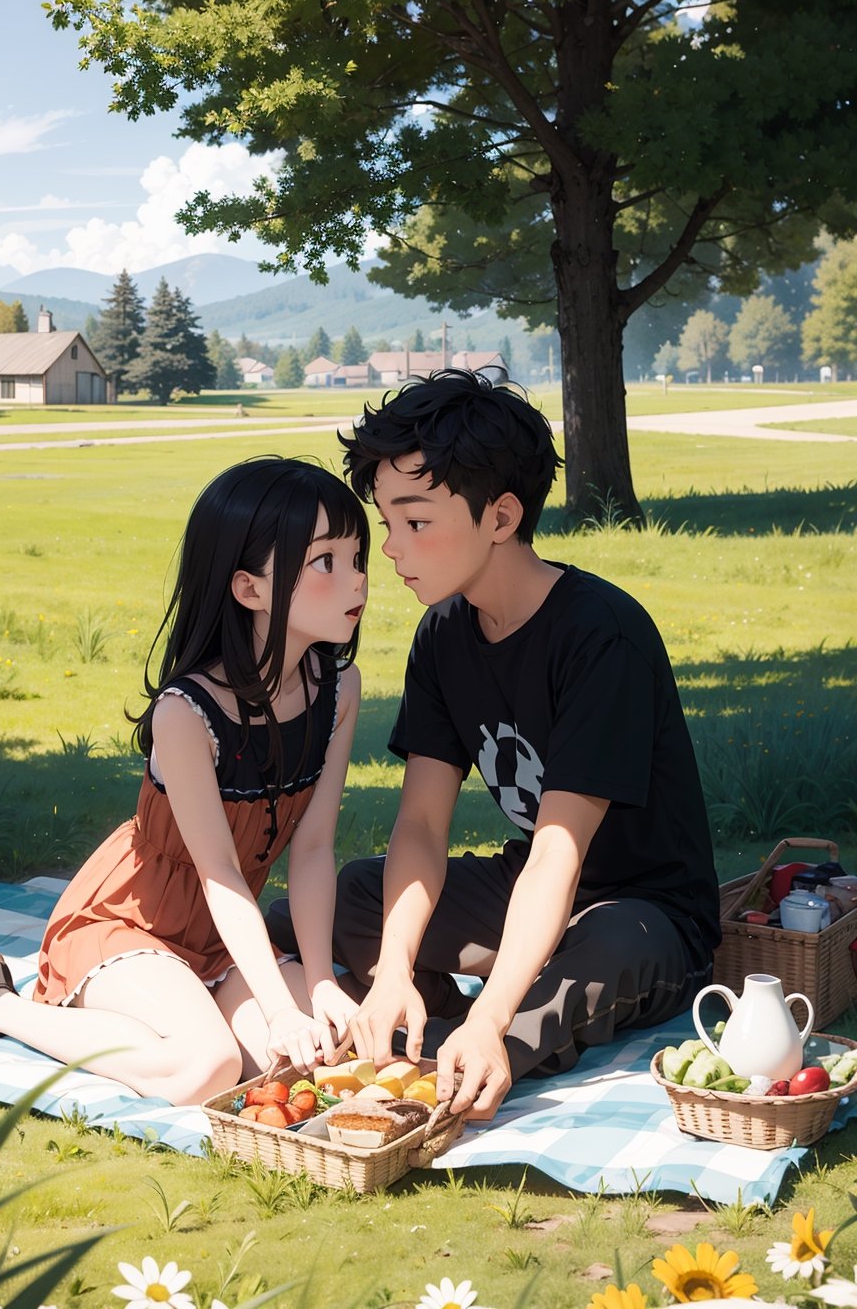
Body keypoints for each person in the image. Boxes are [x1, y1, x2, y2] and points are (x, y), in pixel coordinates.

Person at [267, 371, 720, 1121]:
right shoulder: (443, 634)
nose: (390, 549)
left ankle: (488, 1041)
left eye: (416, 524)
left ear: (502, 516)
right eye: (386, 524)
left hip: (641, 912)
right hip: (524, 895)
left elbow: (559, 852)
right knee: (356, 893)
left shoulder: (601, 636)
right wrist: (395, 972)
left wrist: (492, 1014)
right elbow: (420, 828)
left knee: (604, 945)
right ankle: (423, 1018)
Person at [0, 457, 369, 1105]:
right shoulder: (187, 714)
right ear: (249, 589)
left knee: (326, 1053)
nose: (356, 580)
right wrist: (278, 1007)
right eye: (327, 561)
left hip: (221, 936)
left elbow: (313, 848)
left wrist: (321, 983)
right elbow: (218, 871)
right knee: (206, 1069)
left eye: (358, 558)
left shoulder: (338, 690)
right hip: (127, 923)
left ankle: (205, 1008)